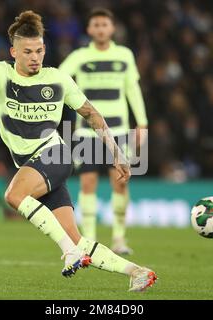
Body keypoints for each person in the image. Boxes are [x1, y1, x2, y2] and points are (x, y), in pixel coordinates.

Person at [0, 10, 156, 291]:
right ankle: (138, 272)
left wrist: (116, 153)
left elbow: (92, 114)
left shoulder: (57, 79)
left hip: (55, 156)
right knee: (77, 238)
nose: (35, 57)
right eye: (28, 52)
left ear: (44, 49)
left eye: (39, 50)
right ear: (14, 51)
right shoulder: (0, 73)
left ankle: (69, 253)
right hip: (32, 165)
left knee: (14, 195)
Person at [59, 8, 148, 255]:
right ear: (89, 30)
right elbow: (58, 80)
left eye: (104, 24)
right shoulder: (79, 56)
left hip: (119, 130)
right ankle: (89, 240)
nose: (100, 28)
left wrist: (142, 123)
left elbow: (132, 89)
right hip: (88, 132)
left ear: (112, 28)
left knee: (120, 183)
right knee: (88, 183)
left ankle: (119, 238)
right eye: (95, 24)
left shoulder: (124, 55)